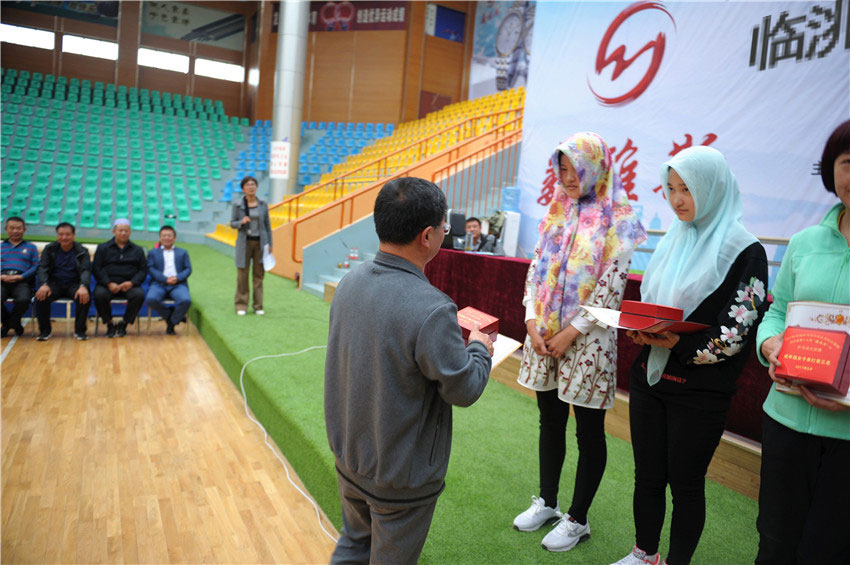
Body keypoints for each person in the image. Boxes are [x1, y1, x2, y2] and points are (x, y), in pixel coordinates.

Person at [324, 177, 494, 563]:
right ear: (428, 236)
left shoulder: (349, 281)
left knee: (353, 545)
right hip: (399, 477)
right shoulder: (432, 308)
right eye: (445, 227)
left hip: (350, 458)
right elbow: (464, 388)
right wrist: (479, 350)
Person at [613, 146, 768, 565]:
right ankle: (644, 553)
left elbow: (736, 331)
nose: (678, 199)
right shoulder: (675, 238)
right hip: (651, 379)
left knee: (685, 483)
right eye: (671, 189)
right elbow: (654, 304)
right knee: (647, 476)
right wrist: (643, 331)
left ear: (713, 188)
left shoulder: (745, 250)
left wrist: (676, 344)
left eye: (688, 189)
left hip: (700, 391)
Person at [512, 133, 646, 552]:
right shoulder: (557, 210)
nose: (569, 178)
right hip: (544, 335)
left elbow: (612, 288)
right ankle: (548, 502)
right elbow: (536, 269)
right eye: (563, 169)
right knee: (549, 421)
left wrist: (570, 332)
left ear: (595, 168)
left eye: (576, 168)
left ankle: (578, 519)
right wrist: (531, 320)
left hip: (589, 340)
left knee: (589, 432)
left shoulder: (618, 220)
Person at [755, 119, 850, 564]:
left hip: (846, 436)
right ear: (832, 170)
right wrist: (769, 345)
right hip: (786, 420)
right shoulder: (805, 242)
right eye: (848, 163)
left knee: (826, 550)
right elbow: (777, 313)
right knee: (774, 541)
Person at [34, 222, 92, 341]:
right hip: (54, 284)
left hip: (74, 284)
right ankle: (44, 331)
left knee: (84, 296)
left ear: (73, 235)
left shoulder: (82, 250)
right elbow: (42, 268)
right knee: (41, 297)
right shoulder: (49, 249)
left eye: (68, 234)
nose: (64, 237)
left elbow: (86, 270)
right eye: (61, 234)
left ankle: (80, 331)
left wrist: (83, 286)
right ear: (57, 235)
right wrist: (44, 284)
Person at [92, 219, 147, 338]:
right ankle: (109, 324)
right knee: (99, 295)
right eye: (120, 230)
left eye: (126, 231)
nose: (123, 233)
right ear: (114, 231)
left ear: (130, 232)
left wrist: (131, 283)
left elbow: (143, 270)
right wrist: (108, 283)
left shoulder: (137, 250)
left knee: (139, 295)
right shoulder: (103, 248)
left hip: (129, 285)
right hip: (107, 284)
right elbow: (97, 268)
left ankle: (124, 323)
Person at [231, 176, 272, 316]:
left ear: (256, 187)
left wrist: (270, 244)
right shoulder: (237, 205)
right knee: (242, 275)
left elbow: (267, 225)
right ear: (243, 188)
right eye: (248, 185)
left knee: (259, 275)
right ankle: (241, 305)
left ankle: (258, 305)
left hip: (260, 243)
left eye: (253, 184)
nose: (251, 187)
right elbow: (232, 223)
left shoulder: (263, 204)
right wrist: (241, 222)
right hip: (244, 243)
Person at [145, 225, 192, 335]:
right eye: (164, 236)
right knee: (151, 299)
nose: (167, 238)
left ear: (174, 238)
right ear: (160, 237)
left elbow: (188, 269)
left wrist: (177, 278)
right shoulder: (153, 253)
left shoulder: (183, 252)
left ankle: (172, 322)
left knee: (186, 300)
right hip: (159, 283)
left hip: (178, 284)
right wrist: (165, 279)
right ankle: (170, 316)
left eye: (169, 236)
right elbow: (150, 268)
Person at [1, 216, 39, 337]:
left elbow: (35, 266)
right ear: (6, 229)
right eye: (12, 228)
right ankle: (13, 323)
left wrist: (21, 277)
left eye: (18, 228)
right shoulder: (1, 246)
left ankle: (8, 324)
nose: (15, 231)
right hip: (2, 280)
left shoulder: (31, 247)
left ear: (24, 230)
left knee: (23, 300)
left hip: (22, 281)